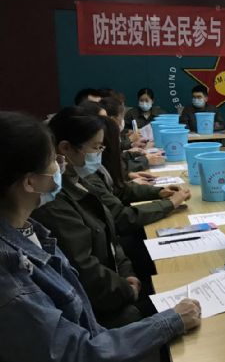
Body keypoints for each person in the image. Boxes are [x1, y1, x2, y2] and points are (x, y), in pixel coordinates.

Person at [0, 111, 200, 362]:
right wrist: (170, 321)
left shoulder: (32, 230)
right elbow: (79, 351)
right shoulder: (11, 279)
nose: (61, 166)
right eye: (53, 161)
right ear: (30, 182)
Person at [32, 107, 147, 328]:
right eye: (96, 147)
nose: (100, 153)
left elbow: (110, 236)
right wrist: (126, 289)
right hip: (99, 310)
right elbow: (84, 269)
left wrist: (127, 274)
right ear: (65, 148)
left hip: (115, 287)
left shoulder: (82, 178)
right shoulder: (51, 201)